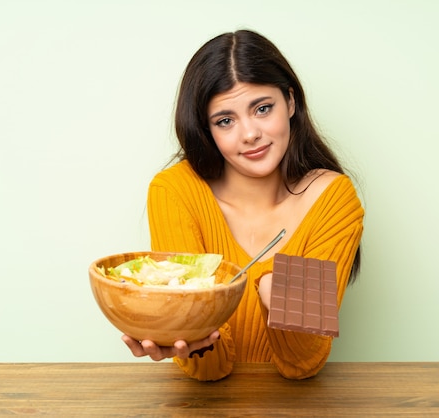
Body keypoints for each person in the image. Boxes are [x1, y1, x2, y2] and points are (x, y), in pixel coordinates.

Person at [122, 29, 364, 381]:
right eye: (225, 121)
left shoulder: (333, 198)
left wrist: (273, 292)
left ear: (291, 103)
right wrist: (188, 338)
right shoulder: (175, 191)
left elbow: (303, 364)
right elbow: (208, 371)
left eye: (263, 108)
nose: (249, 133)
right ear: (207, 130)